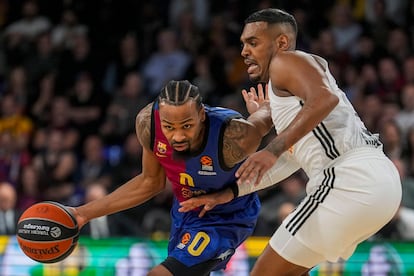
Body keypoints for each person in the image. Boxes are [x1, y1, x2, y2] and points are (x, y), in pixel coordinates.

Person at [178, 8, 402, 276]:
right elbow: (290, 159)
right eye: (242, 44)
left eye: (253, 42)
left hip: (349, 178)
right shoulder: (291, 95)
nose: (244, 51)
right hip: (375, 185)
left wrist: (272, 148)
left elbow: (325, 99)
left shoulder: (285, 61)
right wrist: (232, 192)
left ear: (281, 43)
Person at [70, 79, 273, 275]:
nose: (177, 136)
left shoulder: (234, 136)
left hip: (228, 215)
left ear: (202, 115)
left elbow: (268, 123)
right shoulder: (148, 124)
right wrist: (82, 214)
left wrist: (263, 109)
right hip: (186, 212)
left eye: (186, 126)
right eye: (169, 127)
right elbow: (150, 182)